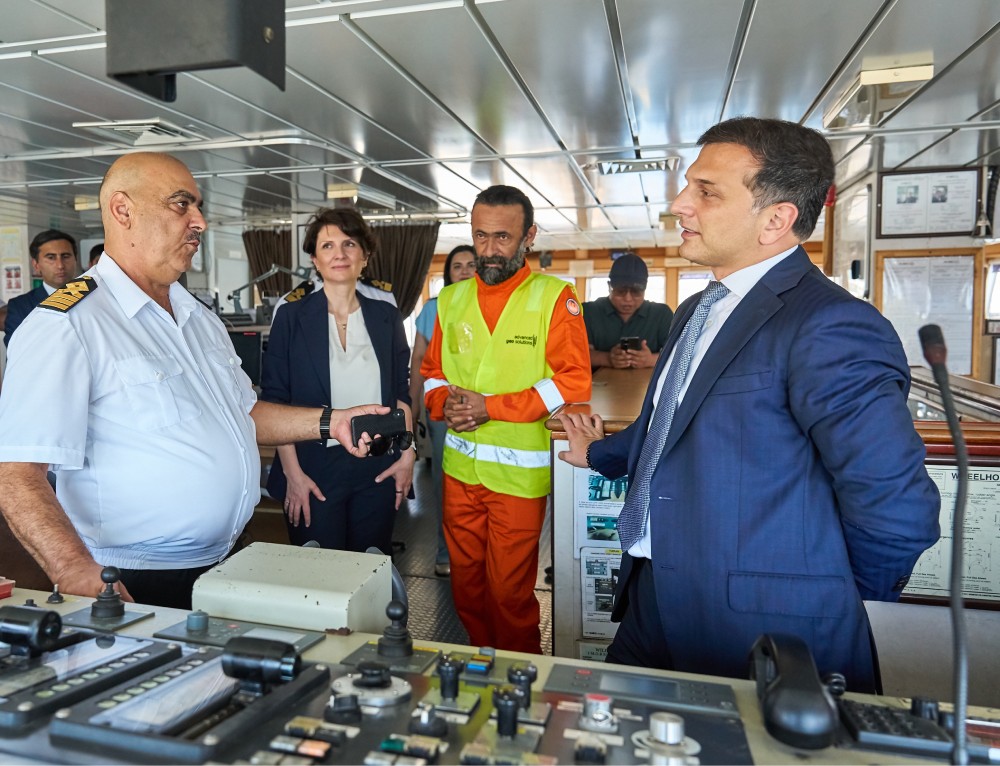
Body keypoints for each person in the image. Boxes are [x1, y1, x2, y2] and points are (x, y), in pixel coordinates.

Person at [558, 117, 940, 693]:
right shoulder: (698, 309)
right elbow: (668, 427)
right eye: (688, 186)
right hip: (653, 596)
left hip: (766, 630)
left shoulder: (830, 324)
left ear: (776, 219)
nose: (680, 205)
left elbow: (896, 508)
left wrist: (827, 598)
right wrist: (597, 454)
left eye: (707, 192)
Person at [0, 152, 388, 610]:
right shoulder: (67, 324)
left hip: (225, 562)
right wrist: (72, 570)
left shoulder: (198, 318)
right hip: (131, 578)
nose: (200, 221)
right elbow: (17, 473)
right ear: (123, 210)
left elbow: (243, 413)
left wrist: (331, 422)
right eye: (181, 204)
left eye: (198, 207)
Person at [421, 184, 592, 653]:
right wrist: (444, 404)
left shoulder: (555, 298)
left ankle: (520, 676)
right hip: (459, 473)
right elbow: (432, 375)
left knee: (508, 595)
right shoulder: (450, 300)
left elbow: (572, 381)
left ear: (528, 237)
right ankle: (481, 667)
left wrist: (491, 407)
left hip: (518, 481)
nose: (489, 250)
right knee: (466, 588)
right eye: (481, 236)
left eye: (502, 237)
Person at [261, 208, 414, 555]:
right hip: (310, 469)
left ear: (365, 256)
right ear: (315, 260)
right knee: (319, 573)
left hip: (377, 466)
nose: (339, 254)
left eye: (349, 244)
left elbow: (400, 395)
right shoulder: (290, 317)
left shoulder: (387, 317)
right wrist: (294, 476)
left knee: (370, 568)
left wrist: (408, 456)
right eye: (327, 246)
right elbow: (276, 401)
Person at [409, 244, 477, 577]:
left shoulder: (493, 305)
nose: (464, 271)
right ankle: (445, 549)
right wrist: (412, 407)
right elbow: (419, 361)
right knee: (445, 482)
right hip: (444, 406)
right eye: (457, 266)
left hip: (487, 407)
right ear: (448, 274)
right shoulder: (434, 308)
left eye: (471, 265)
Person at [583, 253, 673, 370]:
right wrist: (608, 358)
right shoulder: (589, 312)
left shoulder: (661, 314)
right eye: (620, 291)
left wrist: (650, 360)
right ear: (609, 286)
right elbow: (575, 354)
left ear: (645, 288)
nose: (628, 299)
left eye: (636, 292)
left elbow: (679, 354)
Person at [3, 229, 78, 347]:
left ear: (75, 260)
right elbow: (17, 351)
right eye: (51, 258)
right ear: (36, 265)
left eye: (65, 256)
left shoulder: (93, 298)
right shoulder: (20, 307)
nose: (60, 265)